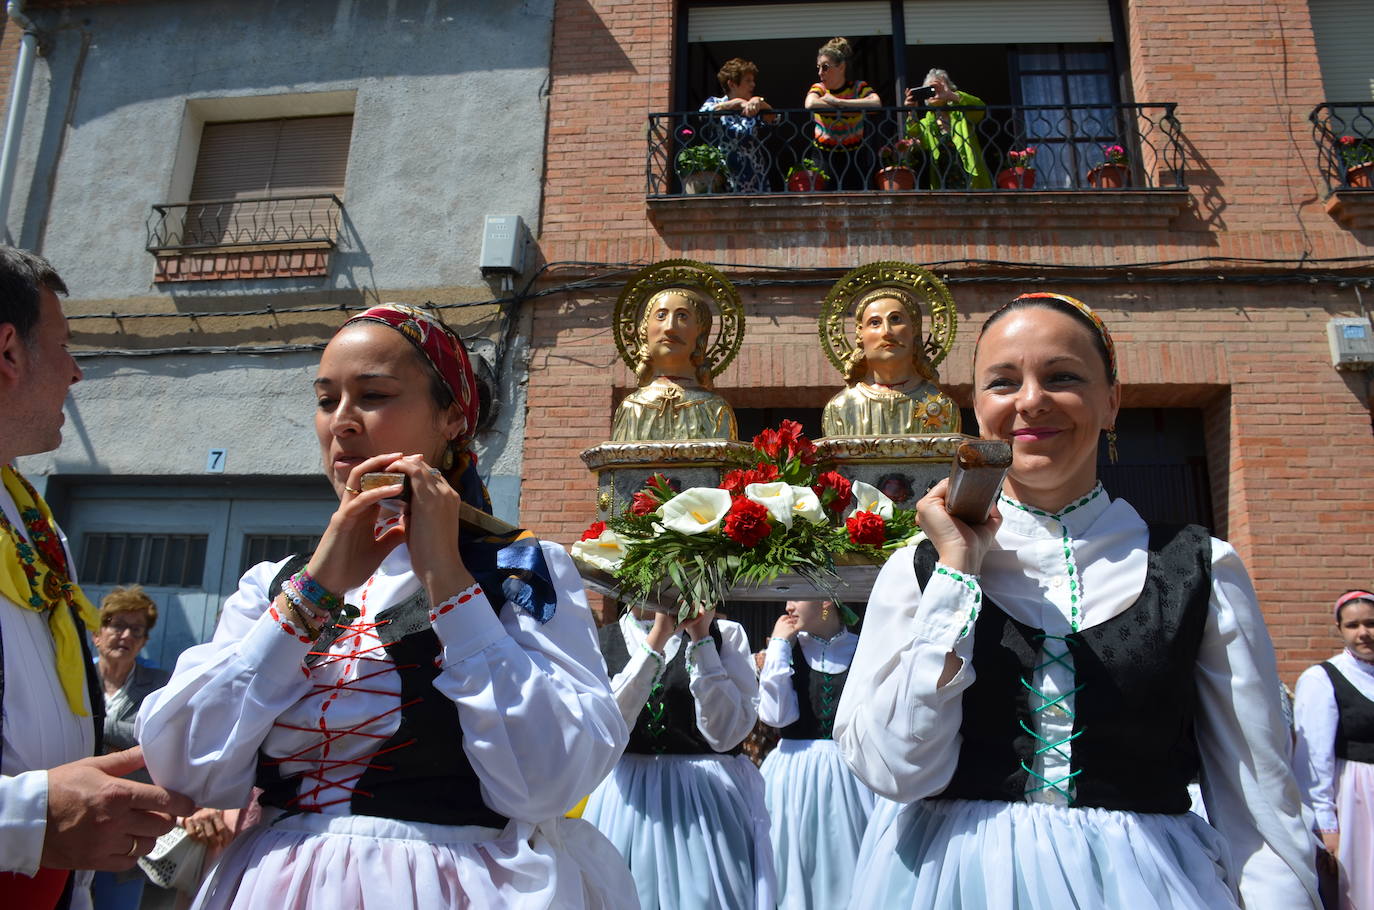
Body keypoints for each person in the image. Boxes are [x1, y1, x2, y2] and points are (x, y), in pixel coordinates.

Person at [137, 303, 633, 909]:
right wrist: (315, 589)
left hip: (449, 888)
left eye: (373, 395)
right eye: (326, 401)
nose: (342, 423)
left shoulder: (518, 571)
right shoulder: (273, 584)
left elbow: (547, 782)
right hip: (274, 887)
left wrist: (451, 586)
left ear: (451, 417)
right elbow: (184, 765)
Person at [835, 292, 1321, 909]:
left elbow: (1259, 802)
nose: (1031, 400)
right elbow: (899, 771)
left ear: (1112, 400)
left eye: (1062, 377)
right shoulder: (919, 569)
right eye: (1003, 382)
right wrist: (956, 576)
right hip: (952, 883)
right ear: (977, 408)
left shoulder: (1201, 568)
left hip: (1144, 885)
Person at [0, 246, 192, 910]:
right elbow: (37, 814)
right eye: (63, 345)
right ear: (8, 353)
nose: (78, 372)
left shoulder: (30, 520)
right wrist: (24, 820)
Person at [581, 606, 774, 909]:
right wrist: (656, 640)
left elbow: (726, 735)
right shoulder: (603, 639)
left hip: (703, 803)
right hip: (627, 801)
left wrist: (702, 641)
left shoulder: (725, 635)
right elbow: (607, 727)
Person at [757, 600, 874, 910]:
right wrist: (780, 645)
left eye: (797, 595)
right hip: (792, 773)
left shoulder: (864, 648)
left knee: (848, 861)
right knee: (792, 862)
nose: (787, 604)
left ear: (825, 602)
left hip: (851, 774)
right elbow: (776, 716)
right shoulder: (786, 650)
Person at [89, 586, 175, 910]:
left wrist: (97, 727)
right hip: (71, 816)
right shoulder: (75, 675)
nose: (125, 635)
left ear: (143, 641)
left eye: (136, 630)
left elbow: (161, 740)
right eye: (117, 625)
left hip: (128, 825)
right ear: (98, 634)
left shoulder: (160, 685)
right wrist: (128, 737)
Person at [1294, 589, 1374, 910]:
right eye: (1353, 625)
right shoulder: (1323, 679)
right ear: (1339, 629)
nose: (1364, 632)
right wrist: (1326, 826)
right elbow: (1313, 760)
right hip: (1357, 798)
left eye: (1370, 623)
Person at [611, 276, 739, 442]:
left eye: (682, 316)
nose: (670, 327)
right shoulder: (631, 407)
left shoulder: (715, 408)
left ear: (701, 333)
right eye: (661, 315)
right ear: (644, 331)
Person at [821, 286, 961, 437]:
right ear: (860, 335)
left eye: (895, 319)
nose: (887, 331)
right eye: (875, 322)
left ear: (914, 329)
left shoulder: (942, 407)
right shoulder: (840, 408)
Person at [804, 37, 882, 190]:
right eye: (818, 67)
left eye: (825, 67)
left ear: (841, 67)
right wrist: (856, 105)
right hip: (823, 156)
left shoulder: (858, 87)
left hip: (854, 156)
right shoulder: (819, 88)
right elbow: (811, 103)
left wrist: (839, 102)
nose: (820, 72)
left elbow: (876, 103)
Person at [905, 68, 991, 189]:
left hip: (970, 181)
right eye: (930, 90)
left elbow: (980, 108)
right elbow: (916, 141)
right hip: (942, 183)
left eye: (938, 88)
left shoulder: (961, 115)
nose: (934, 93)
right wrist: (911, 112)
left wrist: (950, 95)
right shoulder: (926, 123)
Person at [700, 58, 775, 193]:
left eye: (753, 80)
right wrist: (735, 103)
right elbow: (702, 114)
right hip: (724, 177)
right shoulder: (715, 102)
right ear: (732, 84)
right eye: (748, 80)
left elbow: (773, 120)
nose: (753, 84)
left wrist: (760, 102)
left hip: (753, 179)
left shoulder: (754, 107)